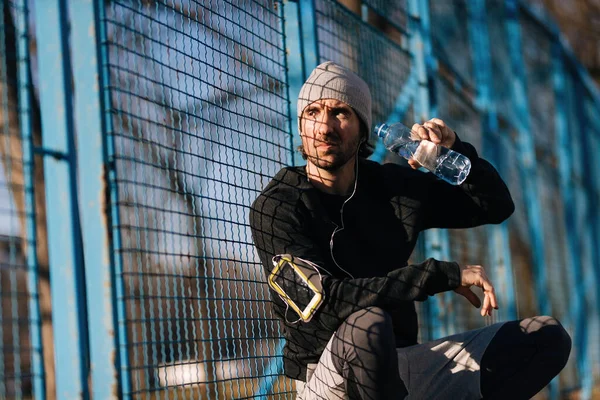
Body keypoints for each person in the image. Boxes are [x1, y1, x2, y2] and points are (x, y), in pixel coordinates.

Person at [249, 61, 571, 399]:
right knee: (367, 324)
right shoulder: (277, 207)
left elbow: (495, 206)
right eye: (313, 112)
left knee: (544, 337)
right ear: (301, 126)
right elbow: (325, 305)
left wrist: (456, 152)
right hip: (327, 378)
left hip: (404, 369)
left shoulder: (391, 188)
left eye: (340, 112)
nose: (325, 127)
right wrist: (437, 276)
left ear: (362, 129)